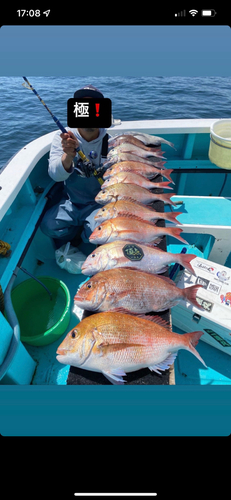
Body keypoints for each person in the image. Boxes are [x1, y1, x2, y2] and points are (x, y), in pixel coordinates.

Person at [40, 84, 109, 248]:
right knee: (48, 226)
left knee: (100, 235)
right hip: (71, 201)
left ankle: (86, 234)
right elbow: (56, 176)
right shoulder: (63, 138)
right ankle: (76, 234)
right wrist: (68, 156)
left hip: (98, 205)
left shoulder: (111, 142)